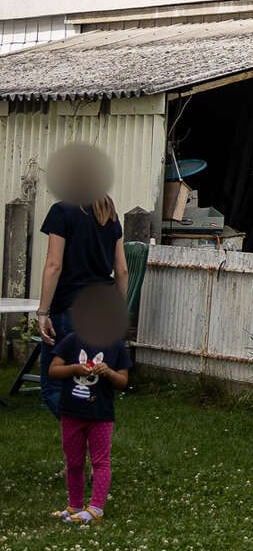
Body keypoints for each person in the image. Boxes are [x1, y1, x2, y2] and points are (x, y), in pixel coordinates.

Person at [34, 144, 129, 420]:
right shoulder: (109, 214)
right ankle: (91, 439)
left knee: (53, 387)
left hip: (70, 308)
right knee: (91, 383)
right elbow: (122, 270)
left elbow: (54, 265)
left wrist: (42, 312)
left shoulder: (61, 212)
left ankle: (81, 439)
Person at [46, 282, 130, 525]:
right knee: (73, 462)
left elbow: (123, 381)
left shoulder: (116, 347)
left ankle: (96, 508)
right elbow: (53, 370)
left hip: (101, 415)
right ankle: (74, 505)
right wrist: (74, 368)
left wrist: (108, 372)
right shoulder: (71, 341)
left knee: (100, 461)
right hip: (71, 413)